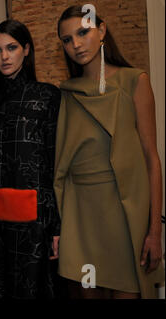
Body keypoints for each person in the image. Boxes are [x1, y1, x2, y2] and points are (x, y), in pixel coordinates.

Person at [55, 5, 164, 299]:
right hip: (81, 219)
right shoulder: (68, 92)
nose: (76, 44)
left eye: (83, 32)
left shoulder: (134, 81)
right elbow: (62, 168)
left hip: (124, 215)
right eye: (67, 39)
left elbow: (152, 159)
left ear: (101, 31)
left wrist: (155, 231)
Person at [0, 19, 61, 299]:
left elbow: (54, 164)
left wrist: (57, 226)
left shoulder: (47, 96)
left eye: (11, 48)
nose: (4, 57)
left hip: (35, 221)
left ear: (26, 50)